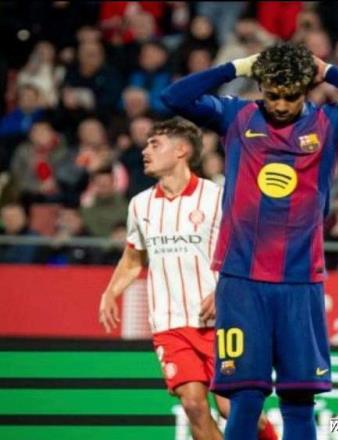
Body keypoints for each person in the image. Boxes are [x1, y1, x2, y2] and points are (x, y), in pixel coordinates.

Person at [161, 42, 338, 439]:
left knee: (299, 399)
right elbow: (174, 97)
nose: (282, 105)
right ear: (261, 88)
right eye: (273, 95)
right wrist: (237, 67)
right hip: (242, 281)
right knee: (245, 396)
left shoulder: (329, 123)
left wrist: (331, 72)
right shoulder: (237, 116)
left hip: (300, 280)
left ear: (306, 90)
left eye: (291, 96)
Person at [98, 117, 276, 440]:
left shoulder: (217, 197)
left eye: (155, 144)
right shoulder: (140, 205)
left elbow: (251, 252)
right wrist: (111, 292)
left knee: (235, 409)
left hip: (223, 321)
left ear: (181, 150)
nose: (145, 151)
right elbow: (133, 257)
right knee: (193, 405)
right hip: (169, 324)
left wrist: (225, 291)